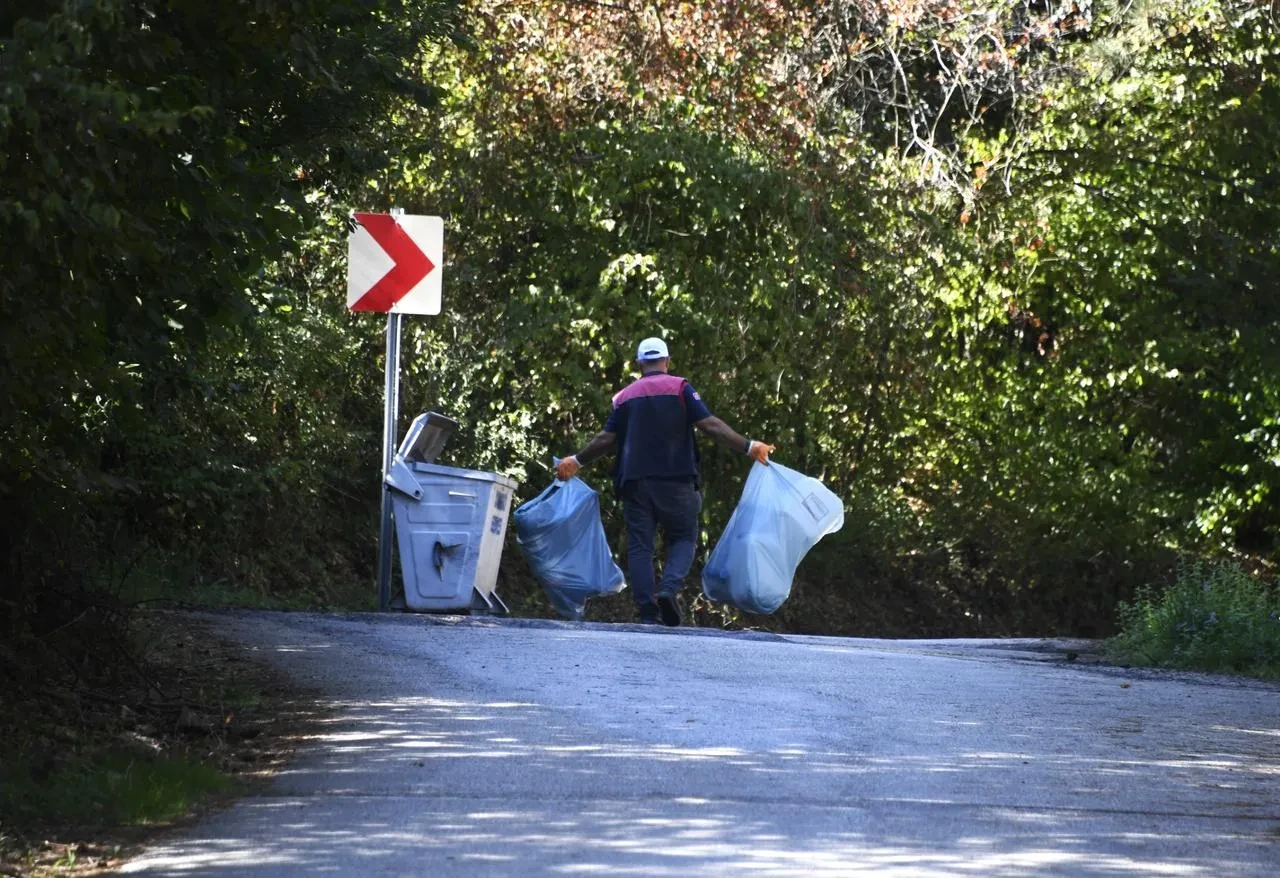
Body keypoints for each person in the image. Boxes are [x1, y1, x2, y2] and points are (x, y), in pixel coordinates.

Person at [555, 337, 774, 626]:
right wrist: (749, 446)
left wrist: (576, 460)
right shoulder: (681, 388)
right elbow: (710, 425)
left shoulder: (625, 397)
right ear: (667, 362)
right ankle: (668, 589)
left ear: (639, 365)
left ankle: (648, 612)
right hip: (677, 482)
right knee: (684, 537)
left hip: (635, 484)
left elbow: (607, 439)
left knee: (640, 546)